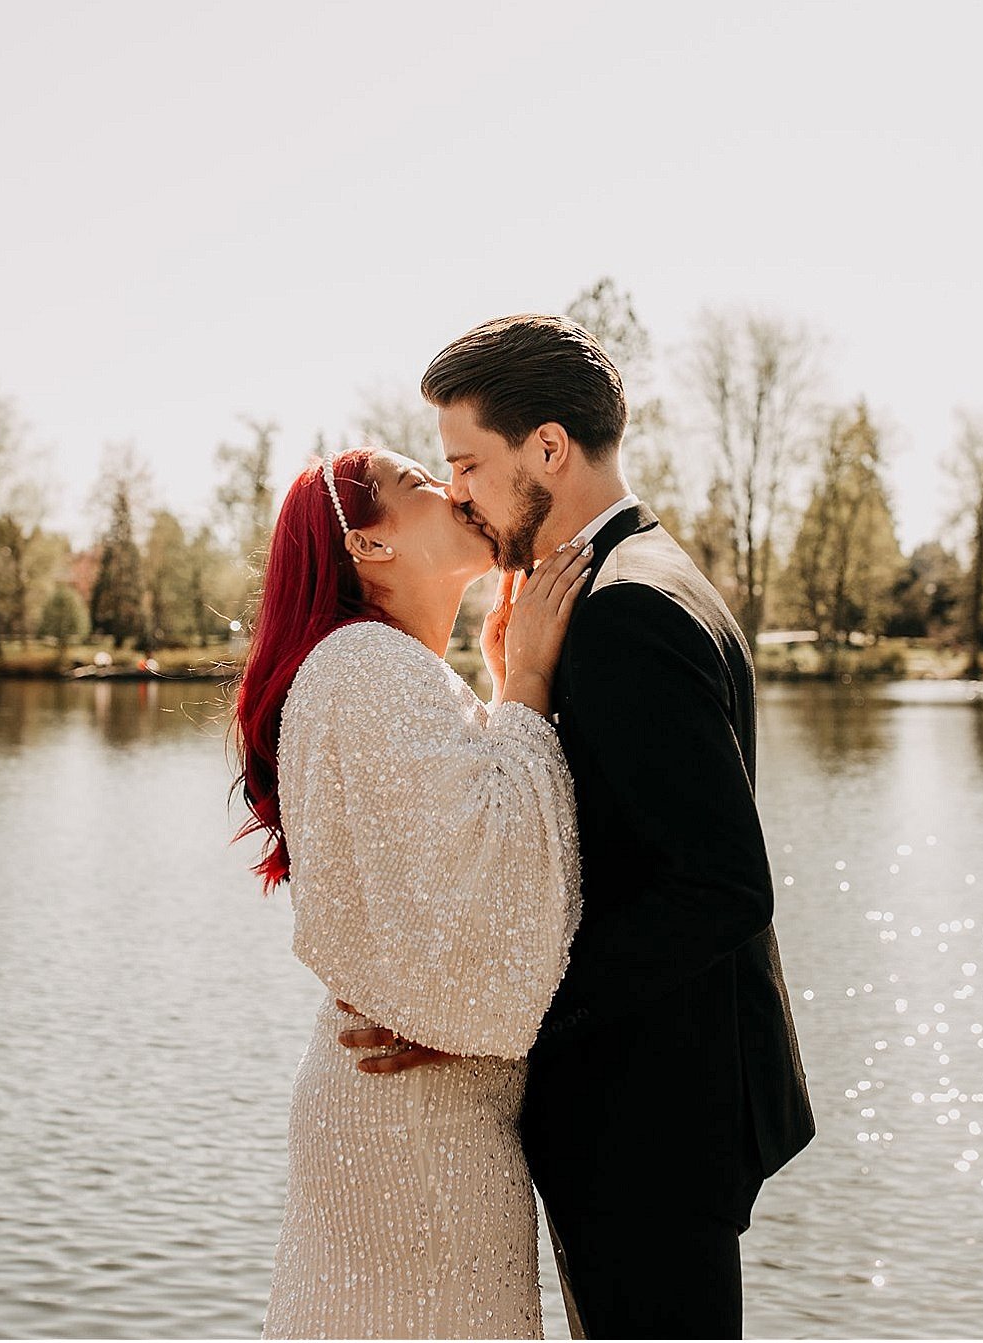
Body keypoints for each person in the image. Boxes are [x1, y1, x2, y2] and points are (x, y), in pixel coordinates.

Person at [337, 314, 816, 1339]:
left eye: (465, 461)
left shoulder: (625, 609)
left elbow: (718, 883)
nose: (455, 487)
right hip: (664, 1096)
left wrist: (496, 1008)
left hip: (649, 1114)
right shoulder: (632, 576)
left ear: (546, 447)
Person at [233, 444, 595, 1339]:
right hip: (411, 1132)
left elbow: (447, 904)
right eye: (421, 485)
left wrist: (506, 688)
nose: (455, 490)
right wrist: (533, 686)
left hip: (416, 1112)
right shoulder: (365, 666)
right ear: (368, 544)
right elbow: (494, 911)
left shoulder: (387, 670)